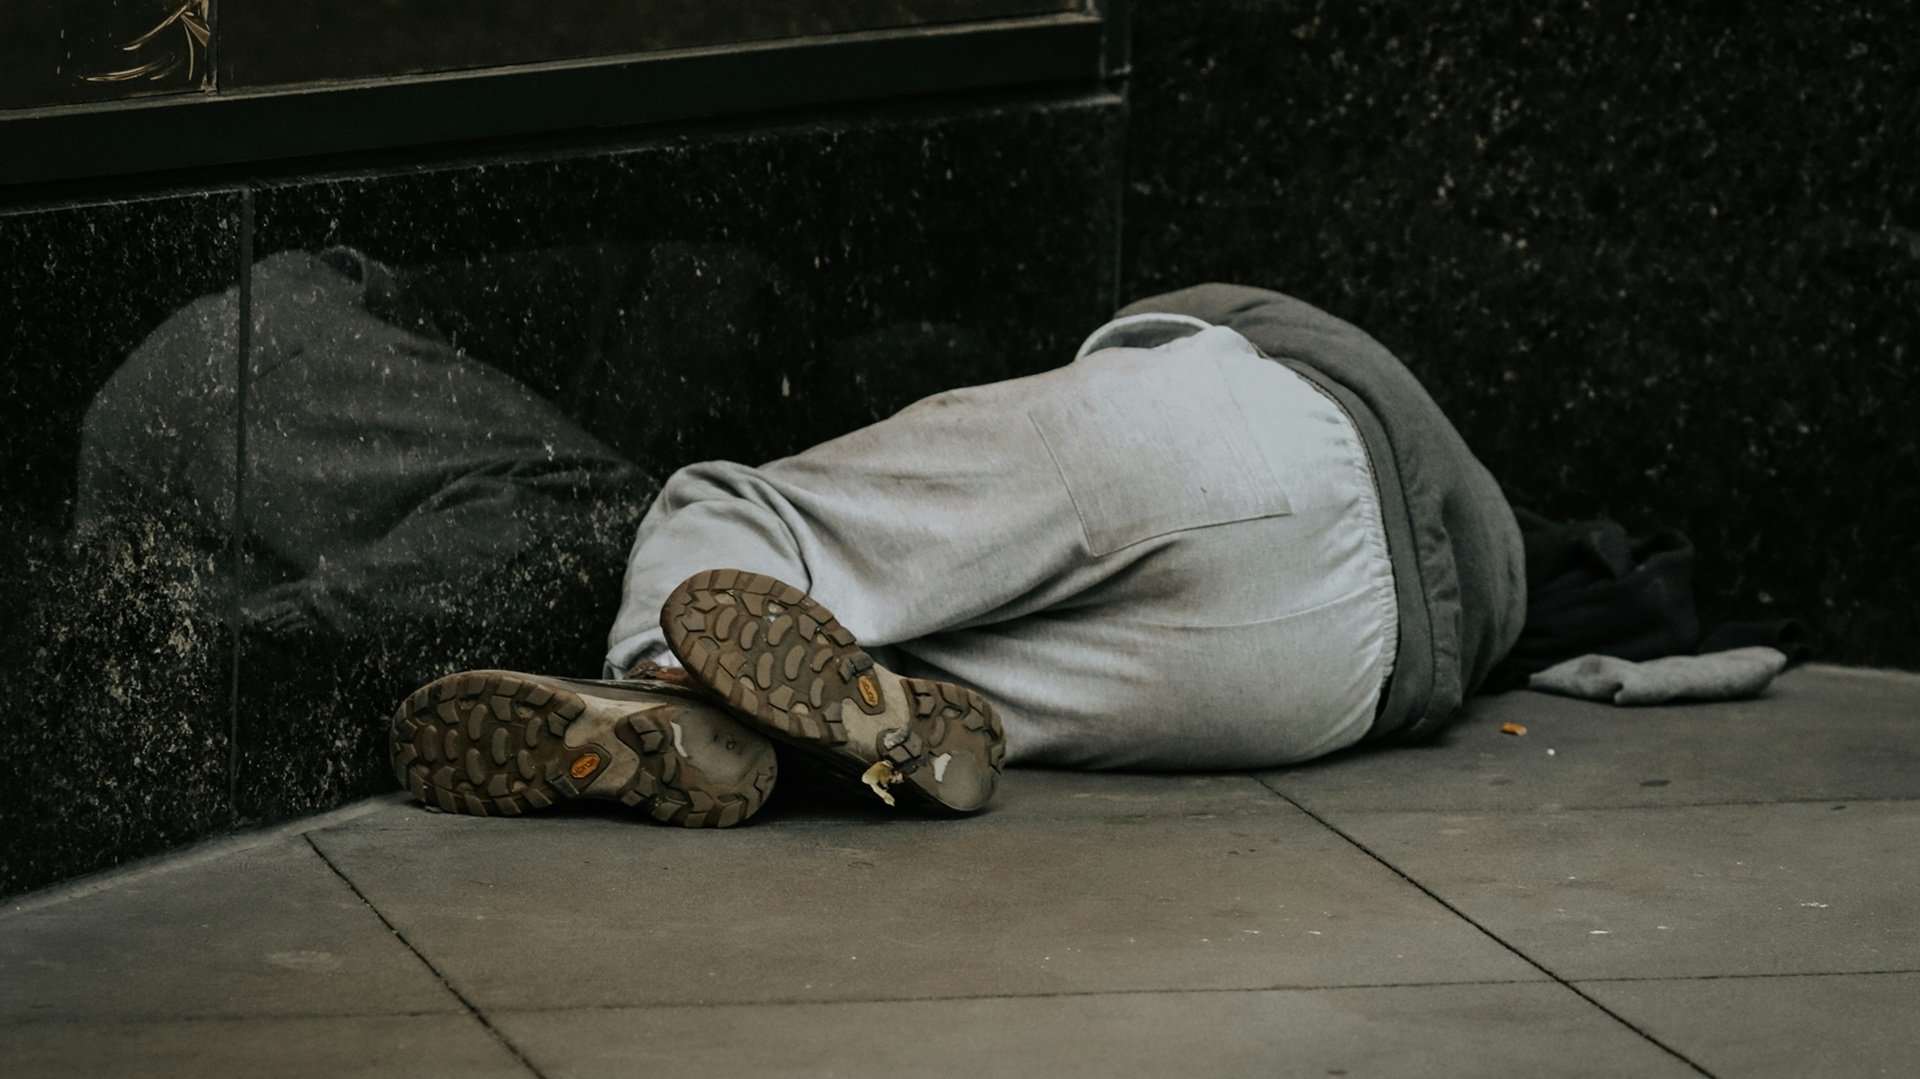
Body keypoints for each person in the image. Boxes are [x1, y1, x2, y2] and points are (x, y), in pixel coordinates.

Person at [390, 283, 1528, 826]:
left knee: (739, 508)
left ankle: (654, 679)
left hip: (1244, 442)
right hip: (1339, 686)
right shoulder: (1498, 538)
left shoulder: (1222, 352)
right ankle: (806, 734)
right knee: (932, 679)